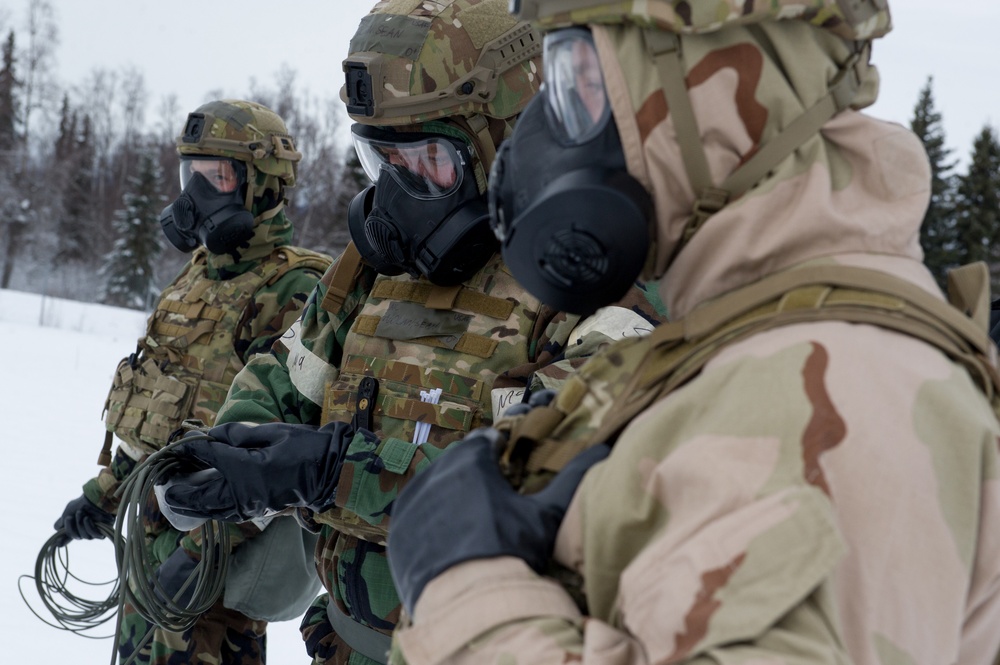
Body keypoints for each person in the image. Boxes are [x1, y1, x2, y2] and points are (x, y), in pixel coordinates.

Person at [378, 1, 1000, 664]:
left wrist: (470, 593)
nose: (549, 130)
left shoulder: (836, 390)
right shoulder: (757, 345)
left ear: (711, 94)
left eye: (581, 82)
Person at [151, 1, 667, 664]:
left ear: (506, 142)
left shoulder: (594, 282)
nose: (398, 195)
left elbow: (543, 487)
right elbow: (288, 378)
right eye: (381, 161)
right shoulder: (369, 268)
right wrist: (232, 462)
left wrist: (331, 471)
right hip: (344, 639)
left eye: (428, 160)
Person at [51, 99, 332, 665]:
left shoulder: (296, 289)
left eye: (217, 177)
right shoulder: (196, 278)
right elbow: (160, 413)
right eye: (191, 174)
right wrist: (104, 494)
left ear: (262, 185)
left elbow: (275, 459)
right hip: (149, 553)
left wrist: (206, 549)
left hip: (216, 579)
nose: (194, 195)